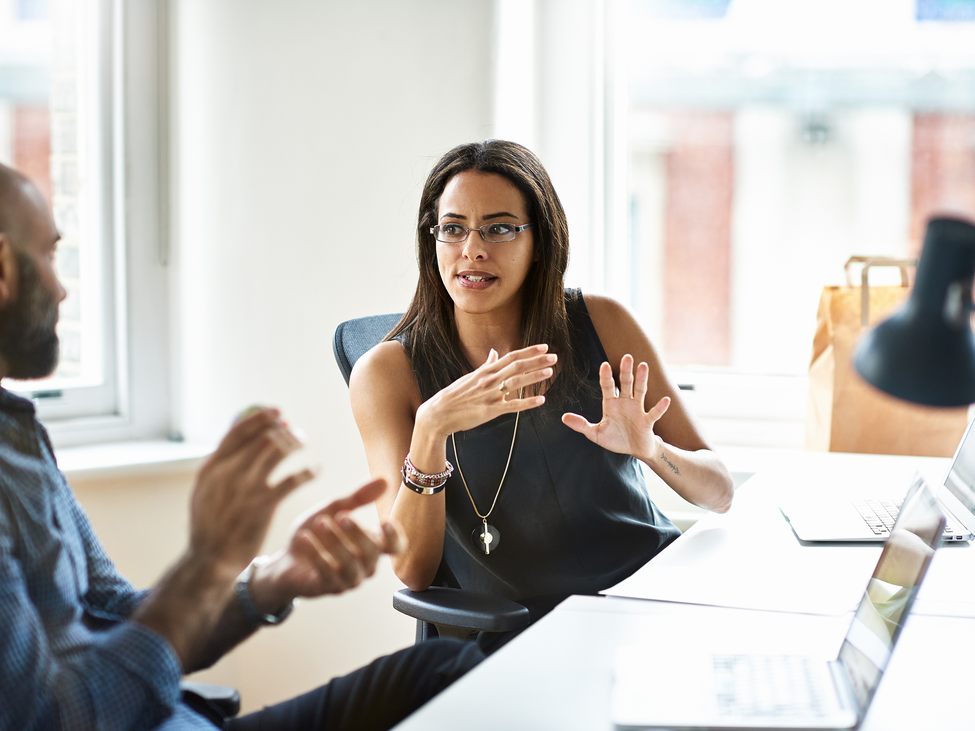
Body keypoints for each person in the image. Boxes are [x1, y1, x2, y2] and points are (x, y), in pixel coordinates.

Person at [0, 162, 483, 731]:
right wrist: (208, 560)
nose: (60, 288)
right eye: (51, 256)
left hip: (184, 719)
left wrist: (276, 578)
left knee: (448, 670)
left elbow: (122, 621)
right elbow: (48, 719)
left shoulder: (18, 433)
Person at [350, 140, 735, 650]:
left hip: (649, 607)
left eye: (500, 227)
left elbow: (721, 493)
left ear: (541, 240)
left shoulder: (603, 322)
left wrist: (653, 452)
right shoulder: (386, 372)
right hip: (520, 637)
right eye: (453, 228)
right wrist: (431, 429)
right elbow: (412, 571)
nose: (473, 249)